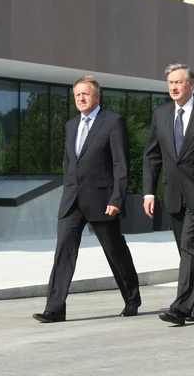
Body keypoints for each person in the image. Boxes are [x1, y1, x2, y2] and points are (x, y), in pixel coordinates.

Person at [33, 76, 140, 322]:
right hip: (72, 201)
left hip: (103, 200)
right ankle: (55, 308)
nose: (81, 98)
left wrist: (117, 198)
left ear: (97, 96)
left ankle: (132, 298)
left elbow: (121, 165)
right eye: (77, 95)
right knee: (63, 252)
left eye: (86, 94)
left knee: (115, 250)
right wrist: (67, 189)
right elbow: (69, 162)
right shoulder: (71, 125)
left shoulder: (113, 122)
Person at [142, 64, 194, 325]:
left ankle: (181, 307)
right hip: (173, 194)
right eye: (170, 83)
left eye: (179, 82)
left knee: (190, 245)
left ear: (192, 84)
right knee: (191, 249)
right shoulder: (161, 113)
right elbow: (152, 155)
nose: (174, 87)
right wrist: (148, 193)